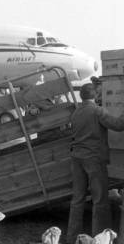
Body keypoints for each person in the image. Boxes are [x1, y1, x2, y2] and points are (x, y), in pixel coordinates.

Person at [66, 83, 124, 243]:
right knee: (99, 200)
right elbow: (119, 125)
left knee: (77, 199)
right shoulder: (97, 111)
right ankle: (100, 238)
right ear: (95, 95)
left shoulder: (76, 112)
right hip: (93, 158)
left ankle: (71, 237)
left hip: (77, 158)